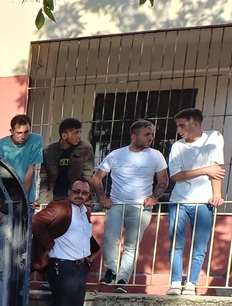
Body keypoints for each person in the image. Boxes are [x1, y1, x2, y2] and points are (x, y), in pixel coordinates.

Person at [91, 120, 168, 293]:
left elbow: (163, 180)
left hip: (141, 207)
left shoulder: (156, 155)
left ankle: (122, 280)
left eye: (152, 134)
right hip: (117, 204)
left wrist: (154, 197)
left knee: (132, 245)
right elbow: (96, 178)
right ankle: (111, 271)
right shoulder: (116, 155)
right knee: (110, 238)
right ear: (134, 136)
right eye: (146, 134)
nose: (151, 137)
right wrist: (103, 198)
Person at [28, 179, 96, 306]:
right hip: (61, 263)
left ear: (89, 195)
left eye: (84, 192)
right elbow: (36, 222)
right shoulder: (59, 207)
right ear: (69, 192)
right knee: (63, 304)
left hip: (79, 265)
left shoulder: (85, 211)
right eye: (76, 191)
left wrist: (89, 255)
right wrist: (48, 243)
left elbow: (83, 235)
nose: (80, 195)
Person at [166, 108, 225, 295]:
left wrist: (217, 195)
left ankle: (191, 283)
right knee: (176, 243)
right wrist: (204, 170)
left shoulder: (214, 137)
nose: (179, 130)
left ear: (196, 123)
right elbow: (175, 175)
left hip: (204, 202)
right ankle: (175, 282)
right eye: (178, 126)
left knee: (200, 245)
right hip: (179, 201)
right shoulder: (177, 146)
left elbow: (217, 169)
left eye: (182, 125)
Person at [39, 118, 94, 205]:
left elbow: (87, 175)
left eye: (80, 132)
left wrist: (85, 199)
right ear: (64, 136)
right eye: (76, 132)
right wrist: (42, 202)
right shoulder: (49, 151)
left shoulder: (85, 148)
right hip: (55, 199)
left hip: (77, 199)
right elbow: (44, 178)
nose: (79, 136)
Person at [0, 114, 43, 203]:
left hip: (27, 195)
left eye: (26, 132)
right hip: (5, 195)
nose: (23, 136)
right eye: (19, 133)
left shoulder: (36, 140)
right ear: (11, 131)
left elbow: (31, 169)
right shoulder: (0, 145)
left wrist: (24, 197)